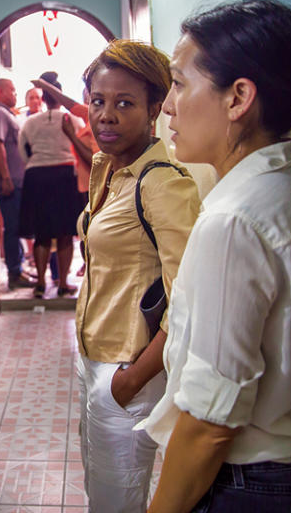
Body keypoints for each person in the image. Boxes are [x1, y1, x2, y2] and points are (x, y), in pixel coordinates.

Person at [142, 0, 291, 512]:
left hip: (248, 489)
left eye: (179, 83)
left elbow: (208, 425)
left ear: (238, 98)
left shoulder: (234, 220)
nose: (167, 106)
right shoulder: (288, 187)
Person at [74, 40, 201, 513]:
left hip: (130, 371)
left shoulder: (162, 183)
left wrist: (132, 379)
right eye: (98, 101)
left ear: (154, 109)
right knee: (100, 494)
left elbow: (190, 300)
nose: (105, 115)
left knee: (117, 505)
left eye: (124, 103)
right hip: (96, 358)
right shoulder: (110, 168)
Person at [18, 72, 85, 298]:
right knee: (66, 233)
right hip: (65, 175)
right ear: (59, 94)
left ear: (44, 98)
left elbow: (22, 150)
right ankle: (64, 284)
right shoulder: (72, 120)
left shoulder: (30, 122)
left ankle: (39, 284)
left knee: (41, 233)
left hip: (36, 177)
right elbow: (81, 147)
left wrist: (37, 164)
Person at [0, 78, 34, 290]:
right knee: (12, 228)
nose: (15, 94)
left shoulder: (8, 114)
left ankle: (19, 268)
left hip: (18, 181)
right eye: (13, 90)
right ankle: (14, 273)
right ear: (0, 92)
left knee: (17, 227)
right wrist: (5, 177)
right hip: (11, 182)